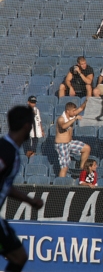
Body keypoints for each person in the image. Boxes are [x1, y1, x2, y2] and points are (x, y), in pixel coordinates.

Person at [0, 106, 44, 272]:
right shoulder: (6, 150)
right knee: (19, 257)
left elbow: (4, 186)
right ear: (27, 126)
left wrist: (29, 200)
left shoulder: (10, 150)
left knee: (19, 257)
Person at [55, 101, 91, 178]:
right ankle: (61, 185)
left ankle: (82, 169)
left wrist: (87, 100)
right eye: (73, 111)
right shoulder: (61, 118)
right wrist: (75, 119)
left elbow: (81, 108)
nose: (75, 112)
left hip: (70, 143)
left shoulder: (72, 115)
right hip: (61, 144)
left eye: (75, 111)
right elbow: (63, 126)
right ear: (68, 111)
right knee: (64, 167)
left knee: (86, 148)